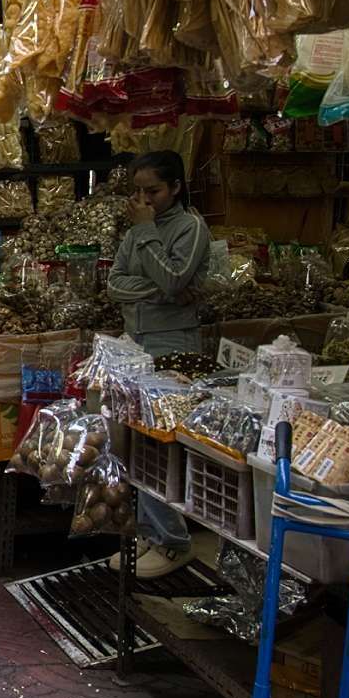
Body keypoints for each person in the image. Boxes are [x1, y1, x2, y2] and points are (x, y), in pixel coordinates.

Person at [106, 149, 212, 578]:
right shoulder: (137, 230)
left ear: (176, 188)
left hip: (173, 345)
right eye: (138, 192)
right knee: (134, 441)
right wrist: (159, 291)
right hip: (136, 343)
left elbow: (174, 278)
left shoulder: (190, 228)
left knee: (159, 443)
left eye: (153, 191)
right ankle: (149, 532)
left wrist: (148, 237)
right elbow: (115, 284)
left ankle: (173, 541)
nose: (143, 200)